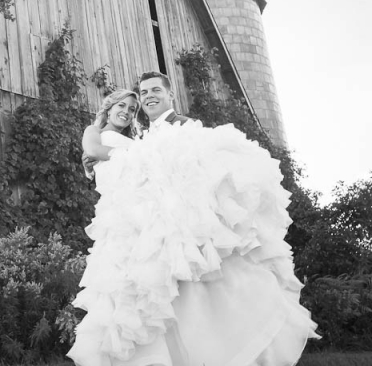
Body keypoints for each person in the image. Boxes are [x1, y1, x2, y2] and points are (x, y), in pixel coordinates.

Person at [68, 74, 318, 366]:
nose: (143, 100)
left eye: (154, 91)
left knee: (205, 301)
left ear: (170, 94)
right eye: (141, 94)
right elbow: (110, 160)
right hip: (136, 224)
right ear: (108, 109)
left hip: (180, 228)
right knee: (147, 301)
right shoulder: (135, 138)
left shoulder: (182, 125)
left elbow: (202, 172)